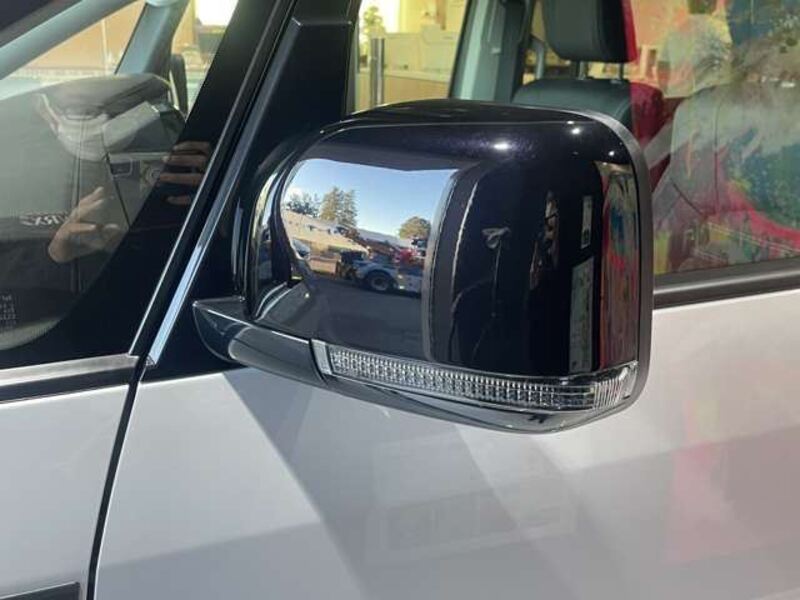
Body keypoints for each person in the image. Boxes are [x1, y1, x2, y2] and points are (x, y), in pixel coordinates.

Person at [657, 0, 732, 99]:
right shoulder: (719, 29)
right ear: (713, 4)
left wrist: (668, 93)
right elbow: (736, 58)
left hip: (676, 98)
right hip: (707, 99)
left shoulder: (673, 32)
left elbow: (662, 70)